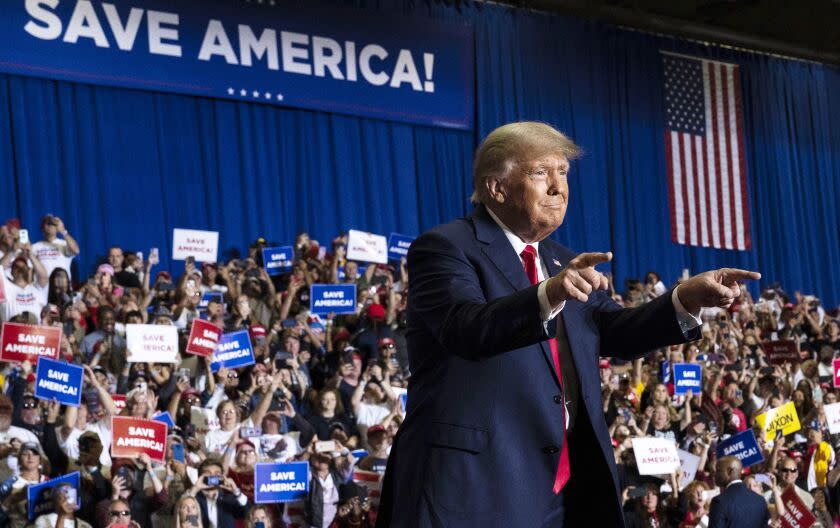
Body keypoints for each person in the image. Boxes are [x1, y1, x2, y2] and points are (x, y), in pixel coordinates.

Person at [377, 122, 761, 527]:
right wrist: (548, 295)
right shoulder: (446, 247)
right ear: (497, 188)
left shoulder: (563, 260)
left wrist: (684, 298)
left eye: (563, 173)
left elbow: (614, 330)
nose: (559, 188)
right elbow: (466, 327)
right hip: (473, 491)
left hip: (564, 493)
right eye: (541, 173)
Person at [708, 456, 769, 527]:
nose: (715, 475)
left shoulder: (720, 501)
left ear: (729, 471)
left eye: (718, 470)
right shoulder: (760, 500)